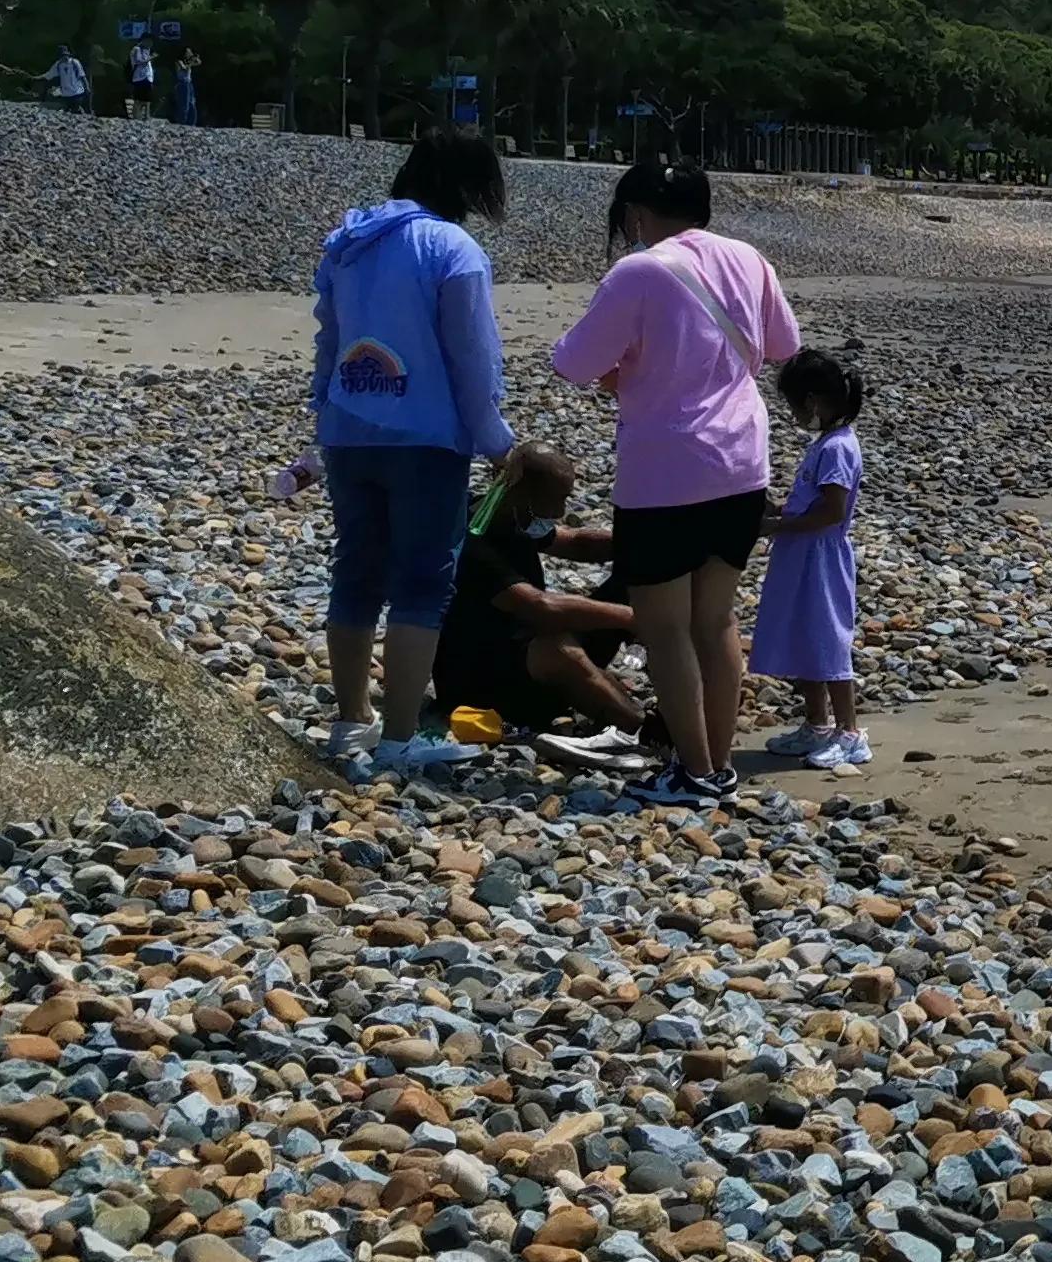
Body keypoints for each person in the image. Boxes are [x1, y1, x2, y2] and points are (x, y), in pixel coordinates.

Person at [551, 157, 799, 806]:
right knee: (715, 621)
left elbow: (574, 363)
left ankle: (694, 772)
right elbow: (783, 344)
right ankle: (715, 762)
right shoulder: (749, 258)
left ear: (636, 213)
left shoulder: (639, 269)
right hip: (743, 462)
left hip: (665, 469)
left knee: (665, 628)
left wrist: (632, 365)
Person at [309, 131, 517, 774]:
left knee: (357, 572)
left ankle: (350, 722)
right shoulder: (452, 248)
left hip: (349, 429)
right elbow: (471, 358)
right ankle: (400, 736)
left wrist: (325, 415)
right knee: (423, 584)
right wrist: (496, 440)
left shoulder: (347, 242)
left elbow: (329, 337)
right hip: (426, 438)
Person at [436, 444, 658, 775]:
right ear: (523, 492)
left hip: (526, 661)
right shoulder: (471, 536)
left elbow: (576, 542)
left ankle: (657, 704)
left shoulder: (516, 516)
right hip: (480, 685)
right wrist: (632, 620)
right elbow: (541, 607)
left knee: (636, 574)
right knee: (555, 646)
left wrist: (650, 541)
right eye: (557, 499)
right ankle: (643, 730)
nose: (560, 509)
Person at [749, 348, 871, 771]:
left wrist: (777, 527)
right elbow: (811, 504)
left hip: (820, 557)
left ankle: (850, 733)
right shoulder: (825, 443)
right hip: (802, 554)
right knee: (804, 637)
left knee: (827, 640)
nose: (796, 417)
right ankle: (817, 724)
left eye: (796, 408)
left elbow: (833, 511)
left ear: (813, 402)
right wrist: (779, 511)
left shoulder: (837, 448)